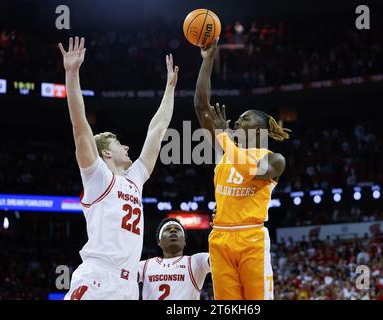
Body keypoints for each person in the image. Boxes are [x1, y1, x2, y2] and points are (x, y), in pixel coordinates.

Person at [58, 37, 179, 300]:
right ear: (106, 152)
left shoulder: (135, 179)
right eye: (119, 143)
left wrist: (170, 90)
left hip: (127, 286)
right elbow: (80, 127)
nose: (127, 147)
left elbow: (156, 132)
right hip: (97, 277)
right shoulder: (97, 177)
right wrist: (72, 74)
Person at [193, 37, 291, 300]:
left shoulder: (275, 159)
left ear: (259, 129)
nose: (237, 119)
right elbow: (201, 107)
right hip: (220, 237)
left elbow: (250, 170)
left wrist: (224, 136)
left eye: (245, 118)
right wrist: (208, 60)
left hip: (251, 238)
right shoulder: (224, 148)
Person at [138, 218, 210, 300]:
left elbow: (219, 259)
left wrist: (221, 227)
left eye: (178, 229)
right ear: (159, 241)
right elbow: (123, 276)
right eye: (167, 229)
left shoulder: (196, 261)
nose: (173, 230)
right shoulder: (145, 265)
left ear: (184, 241)